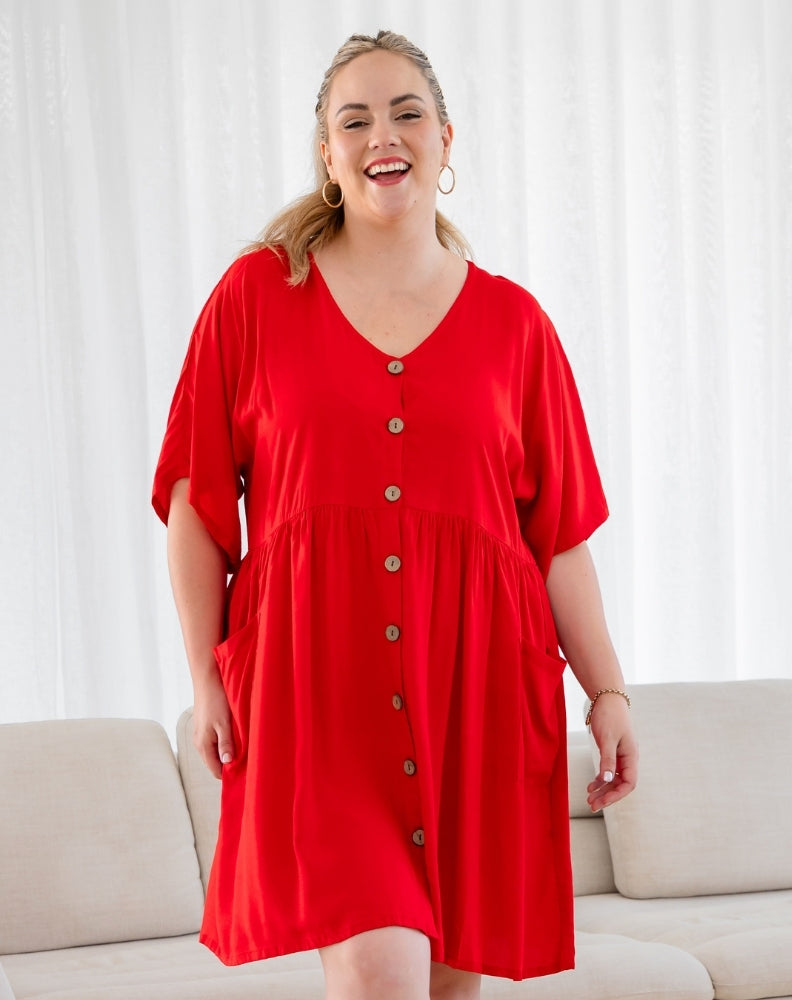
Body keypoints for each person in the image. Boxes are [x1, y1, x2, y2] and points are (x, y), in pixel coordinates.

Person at [152, 28, 638, 1000]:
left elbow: (558, 542)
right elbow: (193, 508)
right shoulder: (255, 298)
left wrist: (608, 693)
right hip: (314, 693)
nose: (384, 133)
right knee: (382, 975)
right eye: (356, 119)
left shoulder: (517, 326)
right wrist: (206, 677)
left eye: (407, 112)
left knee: (446, 987)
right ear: (327, 154)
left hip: (478, 692)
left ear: (445, 140)